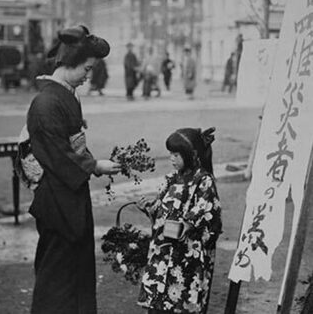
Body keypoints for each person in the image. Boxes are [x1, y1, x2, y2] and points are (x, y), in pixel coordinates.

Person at [26, 25, 121, 314]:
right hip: (57, 198)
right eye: (87, 69)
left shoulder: (62, 96)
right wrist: (94, 166)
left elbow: (71, 146)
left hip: (69, 194)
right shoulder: (46, 103)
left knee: (75, 268)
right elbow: (57, 153)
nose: (89, 77)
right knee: (57, 273)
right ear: (69, 64)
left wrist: (90, 162)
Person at [137, 127, 222, 314]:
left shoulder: (204, 181)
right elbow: (160, 211)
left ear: (191, 155)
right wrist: (149, 208)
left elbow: (206, 210)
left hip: (186, 255)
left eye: (177, 154)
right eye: (170, 154)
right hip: (163, 252)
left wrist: (188, 224)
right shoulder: (170, 179)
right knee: (158, 304)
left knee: (181, 302)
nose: (172, 159)